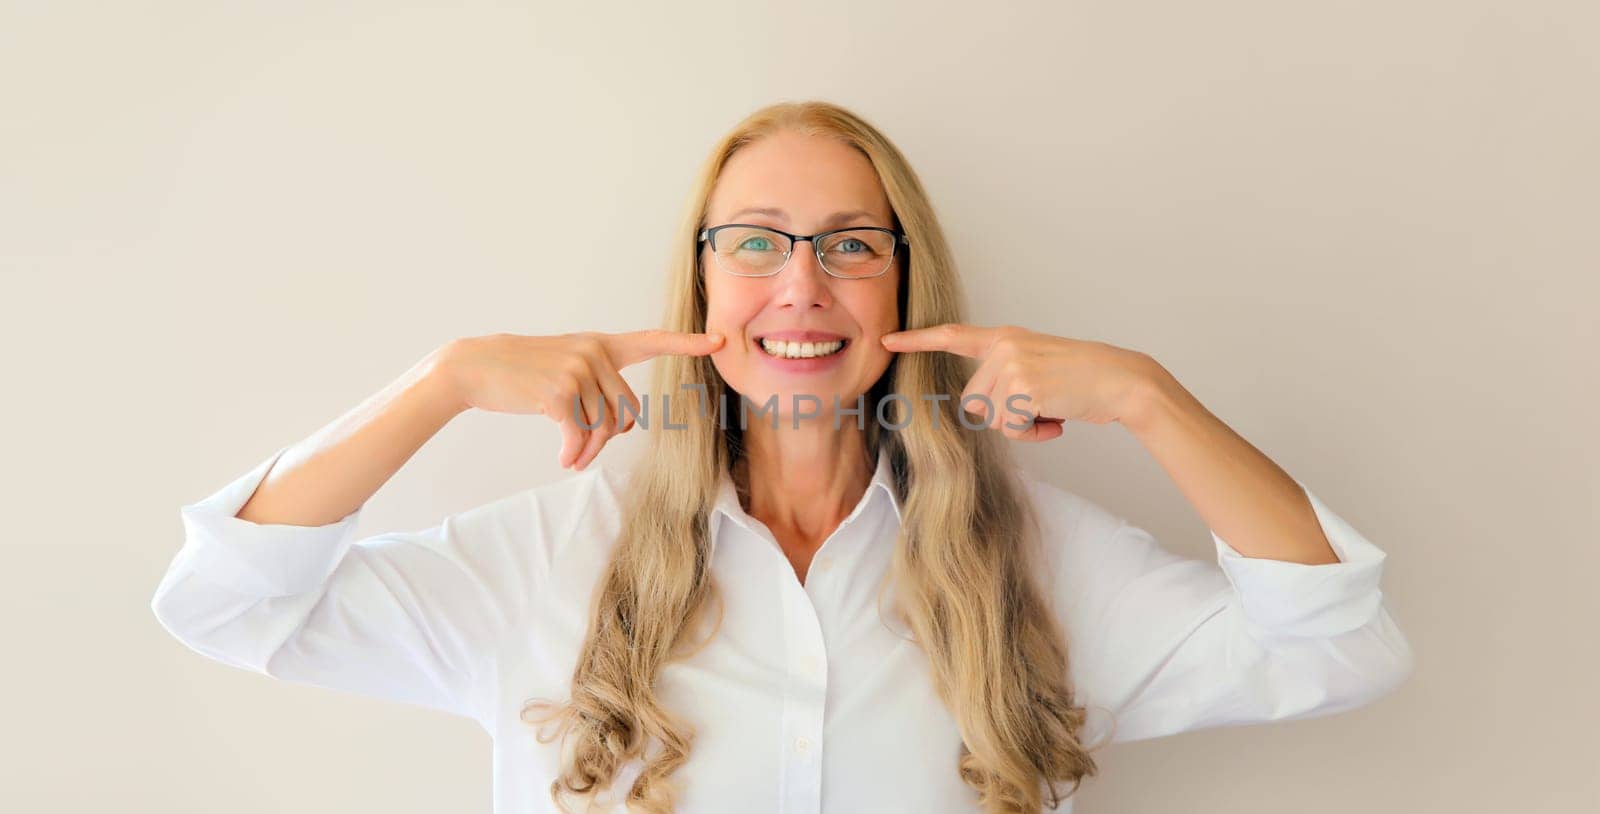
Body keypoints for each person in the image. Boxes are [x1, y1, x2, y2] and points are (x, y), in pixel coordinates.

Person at [150, 100, 1414, 814]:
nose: (800, 285)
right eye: (755, 242)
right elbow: (219, 602)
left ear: (905, 284)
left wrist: (1148, 397)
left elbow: (1339, 646)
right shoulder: (549, 556)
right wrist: (445, 381)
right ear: (702, 278)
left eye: (850, 245)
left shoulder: (1037, 561)